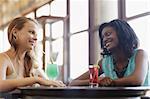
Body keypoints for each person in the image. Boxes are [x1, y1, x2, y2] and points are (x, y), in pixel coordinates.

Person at [69, 19, 149, 86]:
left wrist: (111, 82)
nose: (104, 39)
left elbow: (137, 80)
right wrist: (98, 80)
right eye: (103, 37)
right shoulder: (104, 63)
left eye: (108, 34)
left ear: (122, 34)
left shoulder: (140, 54)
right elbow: (73, 83)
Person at [0, 17, 65, 92]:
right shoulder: (3, 58)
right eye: (31, 32)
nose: (36, 38)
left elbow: (48, 83)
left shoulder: (31, 63)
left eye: (36, 34)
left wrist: (53, 83)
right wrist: (35, 80)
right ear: (15, 33)